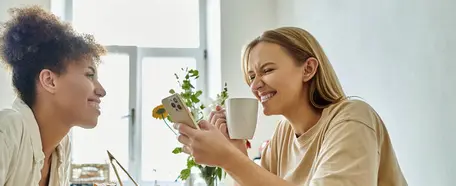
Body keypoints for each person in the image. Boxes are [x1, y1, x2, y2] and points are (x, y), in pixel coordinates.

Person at [174, 27, 407, 186]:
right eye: (251, 75)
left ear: (308, 69)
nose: (255, 85)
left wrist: (229, 159)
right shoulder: (283, 134)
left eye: (267, 70)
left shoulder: (353, 119)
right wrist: (236, 152)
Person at [0, 5, 106, 186]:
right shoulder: (4, 129)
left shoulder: (61, 147)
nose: (101, 90)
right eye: (89, 75)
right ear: (49, 81)